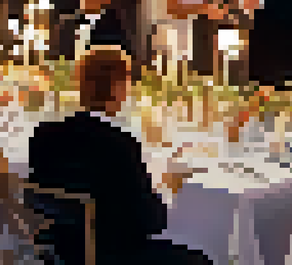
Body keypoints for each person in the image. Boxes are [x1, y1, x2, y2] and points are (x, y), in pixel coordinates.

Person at [26, 46, 211, 265]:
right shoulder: (119, 145)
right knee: (200, 259)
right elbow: (150, 222)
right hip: (112, 255)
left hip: (60, 249)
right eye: (128, 82)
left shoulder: (44, 134)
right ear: (116, 87)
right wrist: (167, 192)